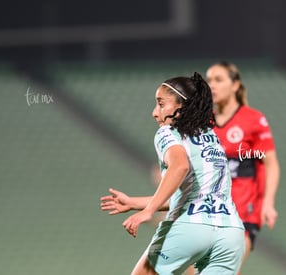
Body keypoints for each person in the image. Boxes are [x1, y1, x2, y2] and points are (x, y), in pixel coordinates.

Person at [100, 72, 245, 275]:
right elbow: (195, 193)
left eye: (161, 104)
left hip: (191, 228)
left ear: (181, 107)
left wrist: (149, 211)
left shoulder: (168, 133)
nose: (154, 112)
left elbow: (179, 166)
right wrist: (134, 203)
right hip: (231, 234)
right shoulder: (212, 138)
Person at [206, 61, 280, 275]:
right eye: (209, 80)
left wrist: (268, 203)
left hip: (244, 212)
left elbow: (271, 164)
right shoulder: (204, 122)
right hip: (209, 211)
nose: (212, 85)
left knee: (224, 271)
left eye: (218, 80)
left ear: (235, 85)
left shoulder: (253, 120)